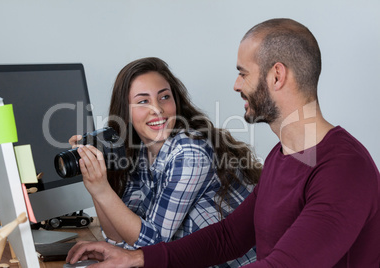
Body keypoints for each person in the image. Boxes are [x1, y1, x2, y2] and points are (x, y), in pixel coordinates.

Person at [66, 18, 380, 268]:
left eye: (243, 73)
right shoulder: (283, 156)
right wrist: (138, 258)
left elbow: (286, 264)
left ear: (277, 76)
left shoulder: (343, 168)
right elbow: (229, 237)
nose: (235, 85)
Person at [68, 57, 262, 267]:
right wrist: (94, 178)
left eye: (164, 97)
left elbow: (152, 247)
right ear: (126, 111)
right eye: (143, 101)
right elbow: (120, 238)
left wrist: (101, 189)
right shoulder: (140, 153)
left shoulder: (189, 152)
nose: (158, 109)